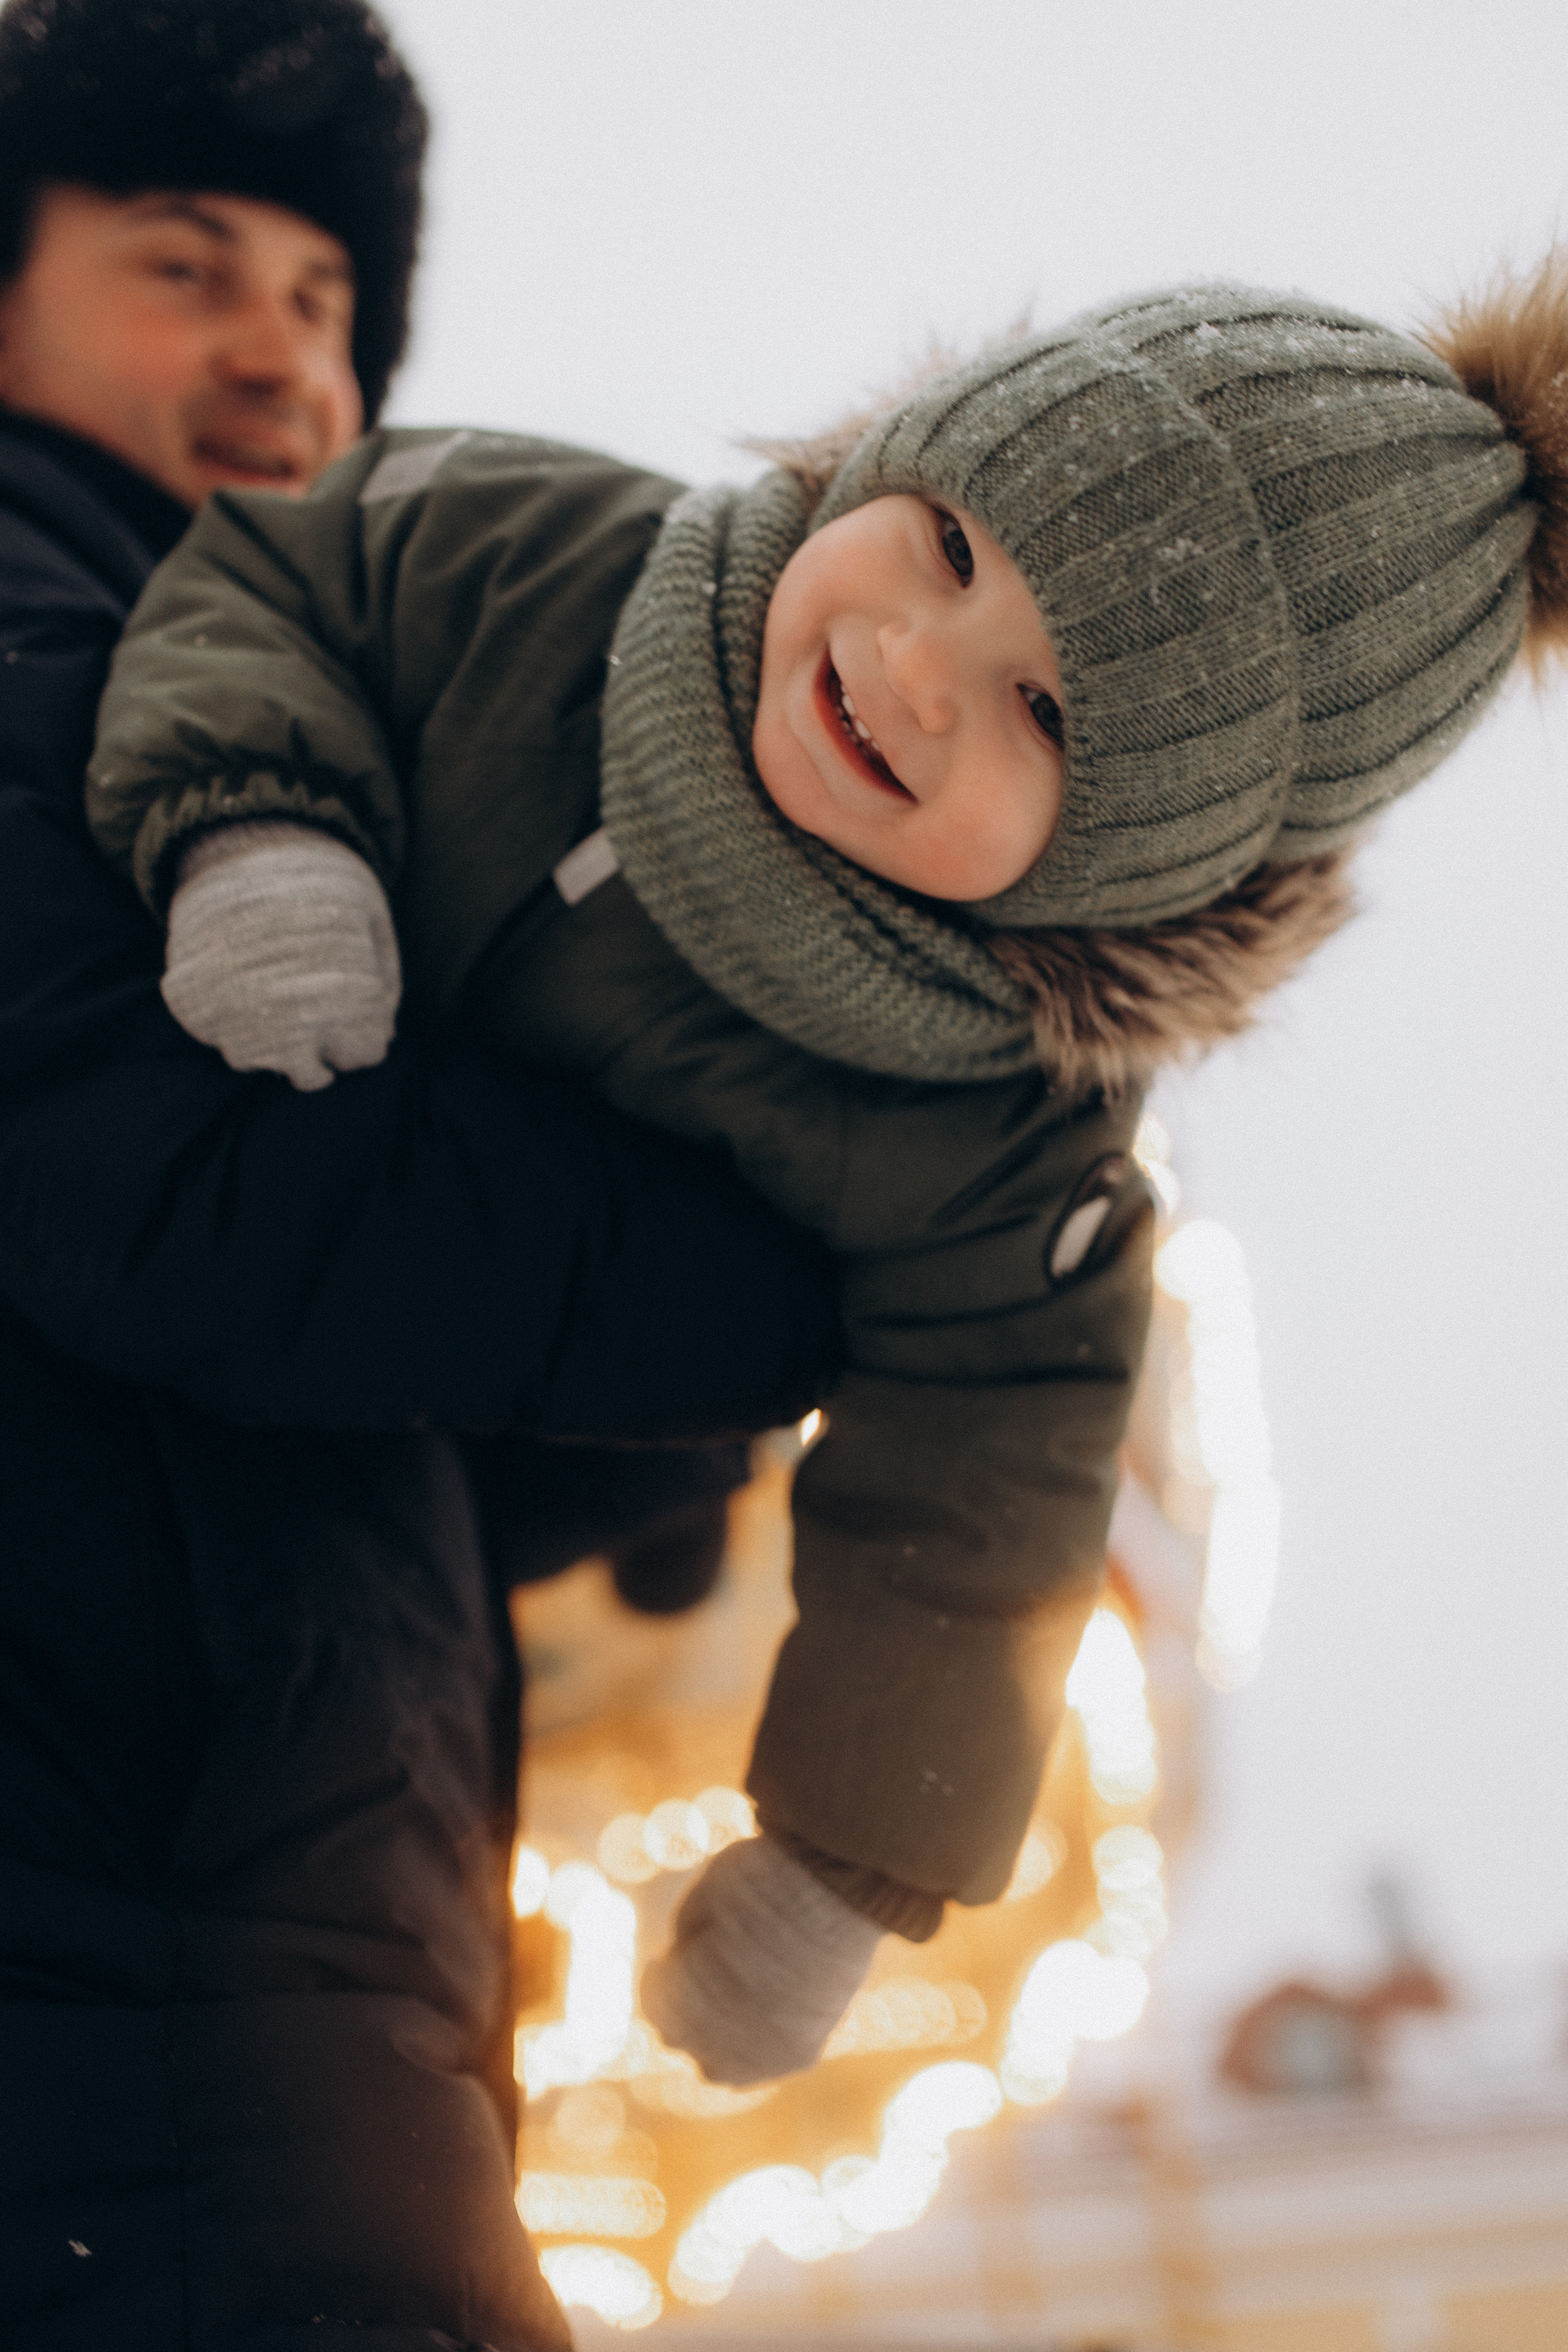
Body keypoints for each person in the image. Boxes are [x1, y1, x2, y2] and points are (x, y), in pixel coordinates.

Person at [86, 257, 1568, 2091]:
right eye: (948, 545)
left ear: (1148, 860)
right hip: (259, 1218)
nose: (911, 668)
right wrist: (258, 828)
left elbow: (987, 1506)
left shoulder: (1011, 1155)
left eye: (1049, 713)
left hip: (446, 1485)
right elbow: (277, 578)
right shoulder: (539, 560)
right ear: (896, 454)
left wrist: (837, 1873)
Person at [0, 2, 839, 2345]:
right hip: (119, 2041)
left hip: (263, 2003)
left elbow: (310, 1392)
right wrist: (798, 1269)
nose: (280, 352)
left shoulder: (285, 721)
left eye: (326, 301)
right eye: (186, 266)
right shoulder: (36, 643)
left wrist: (638, 1423)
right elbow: (183, 1187)